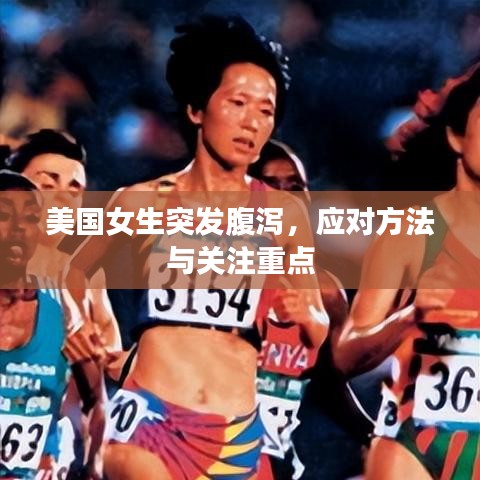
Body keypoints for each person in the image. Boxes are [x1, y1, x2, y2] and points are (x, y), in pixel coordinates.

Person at [62, 15, 329, 480]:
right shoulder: (143, 200)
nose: (251, 122)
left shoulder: (284, 215)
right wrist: (77, 323)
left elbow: (319, 327)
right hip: (148, 417)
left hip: (234, 435)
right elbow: (69, 271)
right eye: (238, 102)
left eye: (265, 110)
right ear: (196, 110)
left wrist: (306, 314)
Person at [334, 63, 480, 479]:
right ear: (456, 136)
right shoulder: (411, 231)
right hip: (412, 440)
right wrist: (410, 317)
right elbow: (346, 355)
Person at [250, 140, 370, 480]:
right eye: (271, 185)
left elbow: (330, 384)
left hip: (276, 455)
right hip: (208, 442)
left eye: (295, 187)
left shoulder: (326, 290)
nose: (285, 197)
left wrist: (373, 434)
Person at [0, 169, 71, 480]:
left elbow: (92, 401)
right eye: (4, 216)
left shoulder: (62, 311)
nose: (19, 229)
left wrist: (57, 451)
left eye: (31, 219)